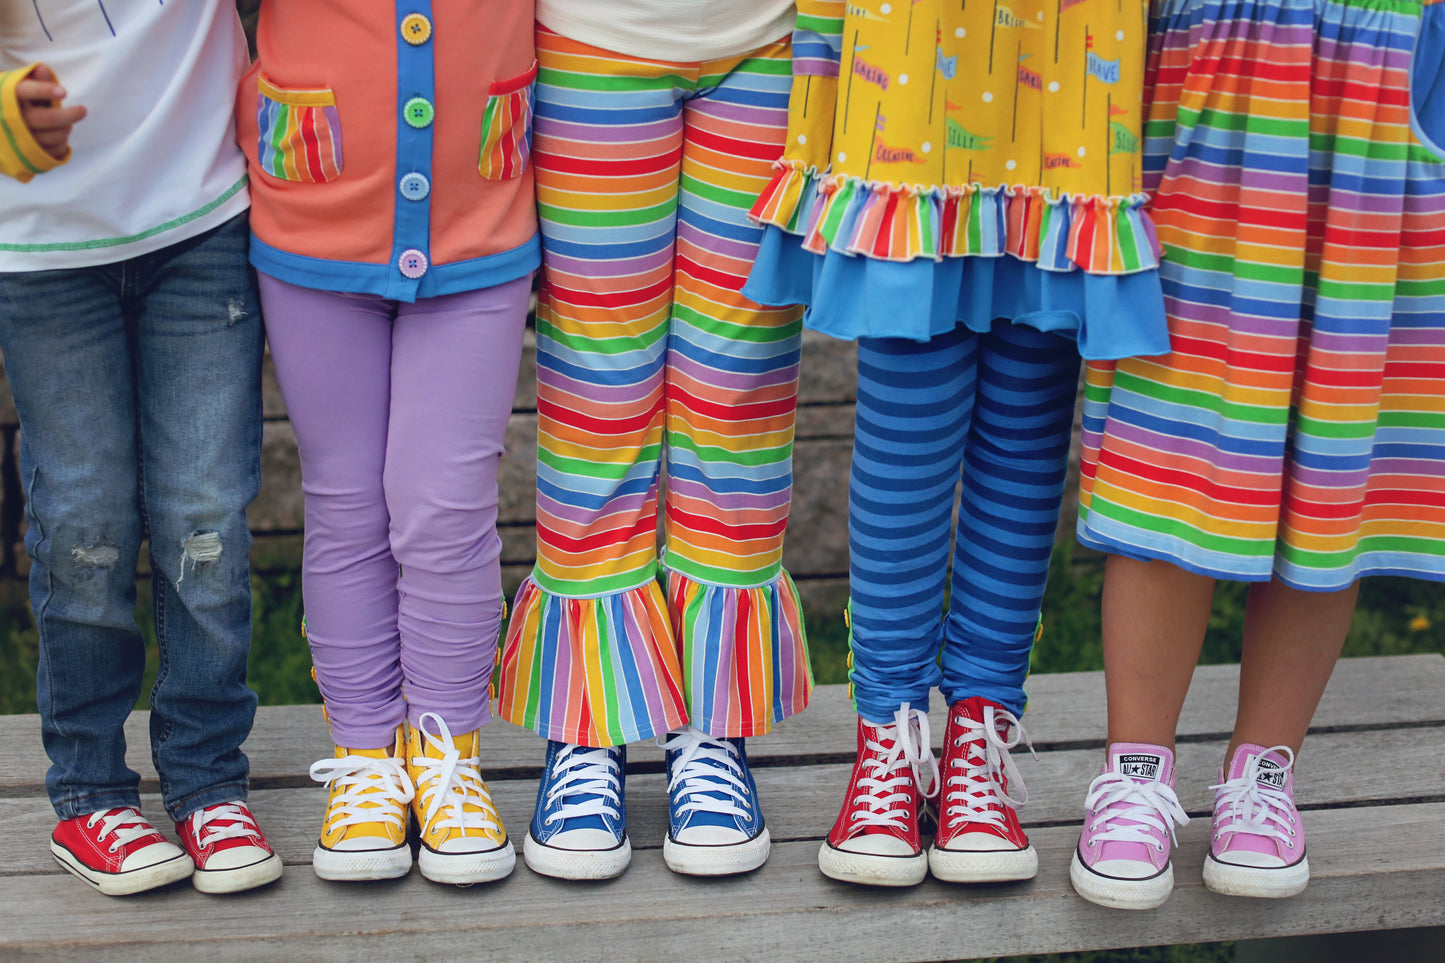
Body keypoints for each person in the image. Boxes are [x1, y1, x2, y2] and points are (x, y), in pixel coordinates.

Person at [744, 0, 1170, 886]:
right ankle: (889, 735)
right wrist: (820, 109)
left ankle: (979, 728)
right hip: (913, 92)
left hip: (1073, 102)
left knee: (1025, 431)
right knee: (906, 442)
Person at [1069, 0, 1445, 909]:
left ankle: (1263, 775)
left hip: (1386, 60)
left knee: (1334, 451)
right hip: (1215, 69)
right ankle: (1135, 769)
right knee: (1176, 438)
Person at [494, 0, 811, 880]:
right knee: (598, 393)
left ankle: (711, 725)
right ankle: (589, 723)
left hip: (772, 43)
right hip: (593, 37)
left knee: (739, 389)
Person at [237, 0, 539, 885]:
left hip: (478, 225)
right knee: (346, 500)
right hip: (314, 221)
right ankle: (367, 757)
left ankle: (447, 753)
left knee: (445, 504)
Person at [0, 0, 280, 896]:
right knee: (84, 523)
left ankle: (207, 782)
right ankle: (88, 791)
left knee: (204, 515)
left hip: (201, 219)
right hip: (41, 250)